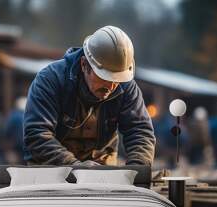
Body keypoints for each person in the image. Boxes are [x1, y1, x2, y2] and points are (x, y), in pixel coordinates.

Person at [23, 26, 155, 166]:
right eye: (105, 77)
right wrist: (75, 166)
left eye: (116, 80)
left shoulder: (126, 86)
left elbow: (139, 131)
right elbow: (37, 134)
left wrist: (138, 167)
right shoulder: (50, 80)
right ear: (84, 64)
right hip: (51, 170)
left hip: (101, 169)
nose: (111, 87)